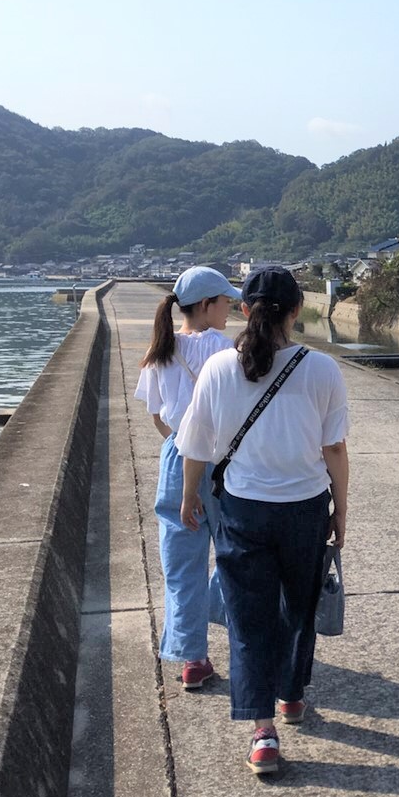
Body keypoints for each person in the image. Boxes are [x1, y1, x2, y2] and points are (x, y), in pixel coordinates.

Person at [174, 266, 350, 777]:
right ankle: (291, 696)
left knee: (249, 620)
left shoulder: (218, 369)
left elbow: (196, 445)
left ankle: (263, 732)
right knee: (299, 606)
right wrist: (341, 509)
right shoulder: (322, 369)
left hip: (242, 510)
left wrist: (189, 496)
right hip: (305, 508)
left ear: (245, 309)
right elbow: (335, 450)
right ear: (297, 311)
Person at [134, 266, 240, 691]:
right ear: (206, 305)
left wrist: (181, 441)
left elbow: (157, 417)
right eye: (225, 302)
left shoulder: (160, 349)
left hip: (177, 458)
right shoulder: (227, 350)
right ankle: (235, 628)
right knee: (236, 552)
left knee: (181, 566)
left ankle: (193, 658)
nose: (230, 309)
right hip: (226, 462)